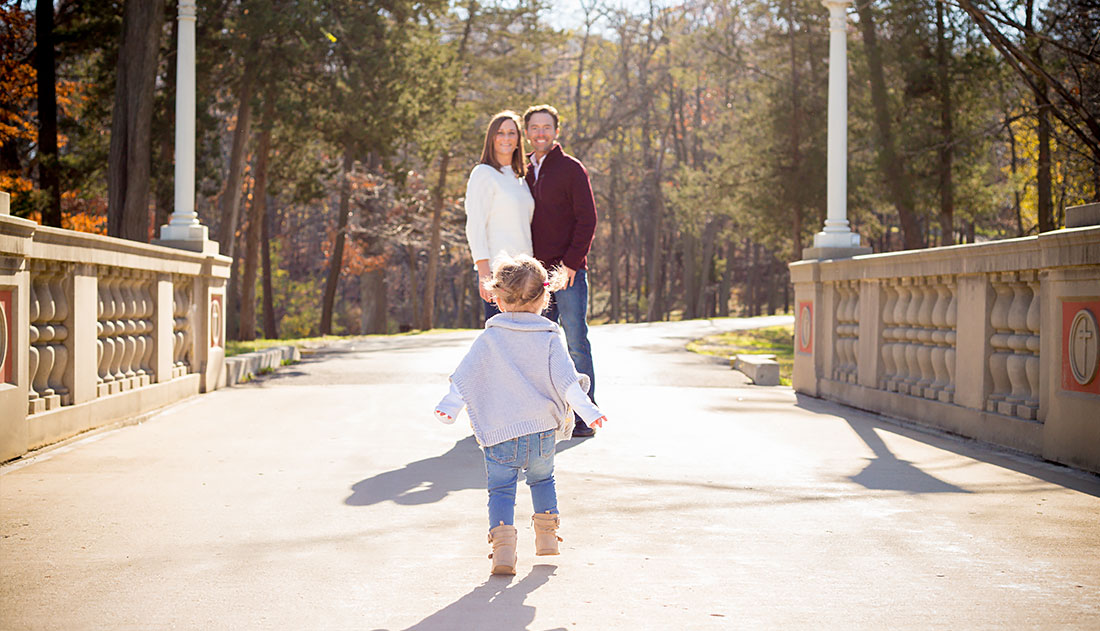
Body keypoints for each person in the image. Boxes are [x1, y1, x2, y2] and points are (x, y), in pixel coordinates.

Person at [433, 255, 606, 575]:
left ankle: (503, 551)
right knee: (542, 479)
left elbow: (466, 375)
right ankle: (547, 537)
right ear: (545, 297)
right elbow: (567, 382)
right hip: (540, 432)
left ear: (497, 299)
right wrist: (588, 411)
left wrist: (450, 406)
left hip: (501, 431)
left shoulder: (490, 338)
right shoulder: (550, 337)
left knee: (501, 489)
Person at [523, 104, 600, 437]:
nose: (541, 133)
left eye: (546, 127)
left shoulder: (571, 168)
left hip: (567, 274)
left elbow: (588, 220)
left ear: (556, 131)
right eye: (534, 128)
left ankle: (585, 416)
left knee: (576, 343)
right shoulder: (524, 171)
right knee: (539, 347)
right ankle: (546, 417)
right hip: (534, 278)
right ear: (527, 133)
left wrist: (570, 264)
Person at [463, 110, 535, 323]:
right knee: (502, 341)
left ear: (518, 139)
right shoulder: (483, 173)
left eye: (511, 133)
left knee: (525, 341)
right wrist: (484, 272)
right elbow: (475, 225)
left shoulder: (519, 178)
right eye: (500, 133)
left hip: (526, 273)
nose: (506, 138)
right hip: (500, 273)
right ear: (491, 138)